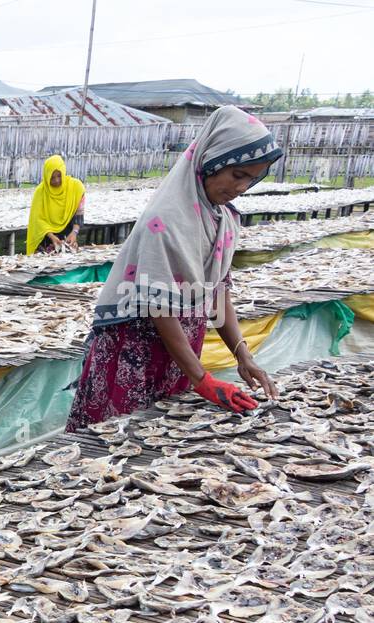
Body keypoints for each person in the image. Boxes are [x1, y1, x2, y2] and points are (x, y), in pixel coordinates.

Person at [65, 106, 282, 432]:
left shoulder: (223, 219)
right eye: (237, 176)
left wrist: (242, 353)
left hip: (179, 348)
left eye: (251, 179)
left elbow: (217, 293)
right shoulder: (165, 220)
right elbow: (159, 309)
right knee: (115, 437)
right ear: (213, 161)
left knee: (164, 432)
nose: (242, 188)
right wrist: (202, 379)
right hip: (136, 346)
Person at [27, 155, 86, 254]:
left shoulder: (76, 187)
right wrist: (53, 237)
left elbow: (79, 214)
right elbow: (38, 220)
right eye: (52, 177)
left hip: (68, 237)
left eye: (59, 176)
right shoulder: (40, 192)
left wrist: (74, 233)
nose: (56, 180)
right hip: (45, 237)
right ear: (46, 177)